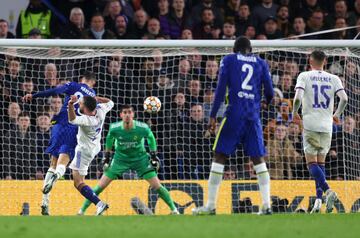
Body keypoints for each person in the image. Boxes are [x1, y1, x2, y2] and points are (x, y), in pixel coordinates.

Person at [192, 36, 274, 215]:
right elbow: (269, 91)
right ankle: (267, 204)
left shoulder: (229, 60)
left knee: (220, 155)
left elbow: (221, 88)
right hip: (253, 116)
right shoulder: (261, 62)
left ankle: (211, 206)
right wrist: (267, 102)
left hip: (234, 113)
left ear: (234, 49)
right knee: (258, 158)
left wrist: (213, 115)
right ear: (250, 50)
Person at [78, 105, 179, 215]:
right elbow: (109, 139)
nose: (127, 115)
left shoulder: (142, 127)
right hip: (120, 159)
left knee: (157, 186)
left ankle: (174, 210)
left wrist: (153, 155)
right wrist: (106, 156)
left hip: (140, 159)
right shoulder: (114, 128)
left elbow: (150, 137)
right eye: (125, 112)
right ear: (121, 115)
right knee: (100, 186)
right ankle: (81, 211)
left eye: (129, 112)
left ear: (133, 114)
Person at [22, 71, 97, 216]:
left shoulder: (74, 85)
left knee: (53, 162)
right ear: (92, 82)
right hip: (75, 126)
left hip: (59, 123)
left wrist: (34, 95)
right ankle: (58, 175)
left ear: (82, 79)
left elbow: (56, 90)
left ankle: (45, 201)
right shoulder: (93, 96)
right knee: (64, 159)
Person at [292, 50, 348, 213]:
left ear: (310, 60)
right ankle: (318, 201)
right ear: (325, 61)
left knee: (311, 164)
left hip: (310, 125)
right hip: (326, 125)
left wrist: (295, 112)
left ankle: (328, 191)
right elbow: (344, 98)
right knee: (320, 164)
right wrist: (336, 115)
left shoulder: (304, 76)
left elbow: (297, 98)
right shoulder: (334, 78)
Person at [65, 95, 114, 215]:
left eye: (80, 104)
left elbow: (72, 120)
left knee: (78, 182)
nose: (79, 105)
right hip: (95, 146)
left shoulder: (87, 120)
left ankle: (99, 204)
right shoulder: (101, 109)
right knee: (80, 180)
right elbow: (111, 102)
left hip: (84, 151)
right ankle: (98, 204)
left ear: (86, 108)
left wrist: (70, 104)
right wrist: (97, 98)